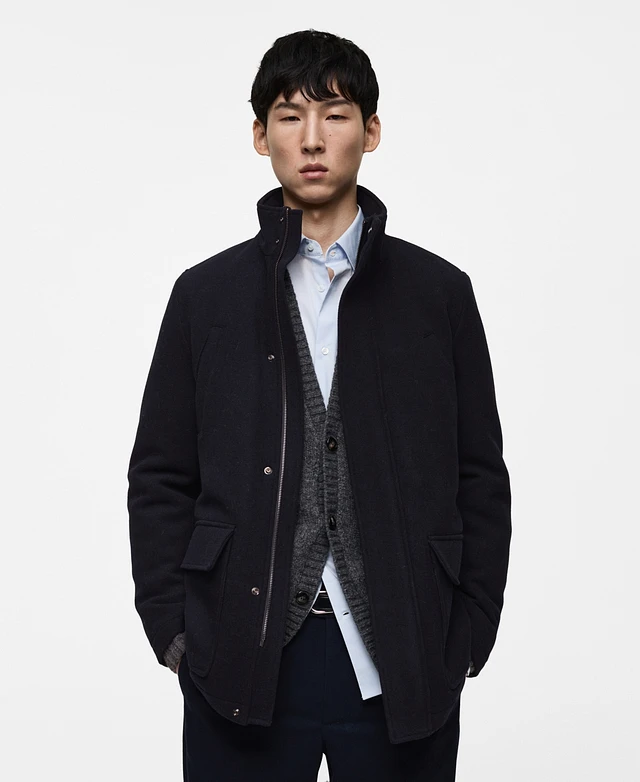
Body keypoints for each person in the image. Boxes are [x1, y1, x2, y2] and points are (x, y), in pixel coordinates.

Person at [127, 28, 512, 782]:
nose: (311, 138)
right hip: (241, 654)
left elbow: (479, 475)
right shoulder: (205, 297)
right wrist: (175, 631)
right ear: (259, 135)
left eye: (334, 115)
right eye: (288, 115)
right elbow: (161, 474)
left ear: (371, 132)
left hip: (404, 654)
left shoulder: (439, 294)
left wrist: (468, 631)